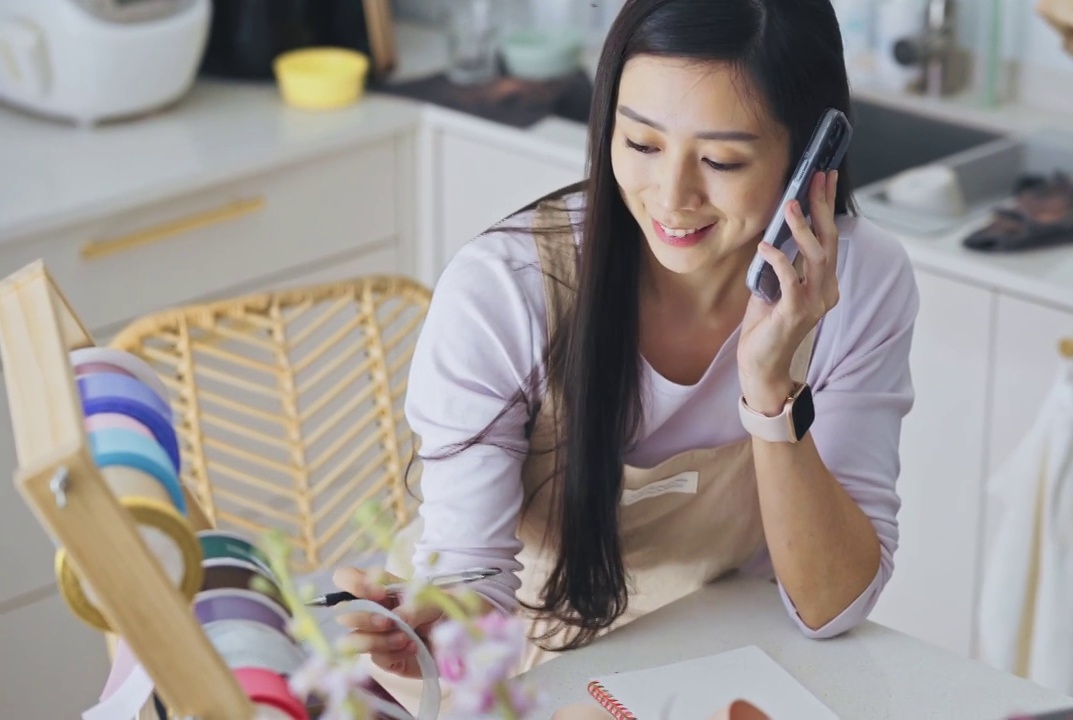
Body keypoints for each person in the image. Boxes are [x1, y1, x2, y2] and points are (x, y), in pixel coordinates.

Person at [333, 0, 918, 691]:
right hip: (510, 675)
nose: (672, 197)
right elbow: (471, 585)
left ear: (813, 157)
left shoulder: (858, 284)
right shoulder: (505, 290)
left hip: (716, 673)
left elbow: (833, 606)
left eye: (722, 160)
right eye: (641, 145)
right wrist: (439, 619)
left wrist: (769, 390)